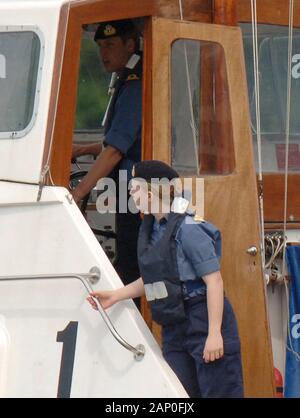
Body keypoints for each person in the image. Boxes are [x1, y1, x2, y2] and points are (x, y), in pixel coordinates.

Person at [87, 160, 244, 398]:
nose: (131, 192)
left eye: (135, 188)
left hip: (202, 317)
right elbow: (154, 278)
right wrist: (116, 295)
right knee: (180, 393)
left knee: (219, 391)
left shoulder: (189, 230)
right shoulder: (155, 230)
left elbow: (214, 282)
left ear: (150, 193)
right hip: (175, 324)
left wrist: (214, 333)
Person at [71, 20, 142, 302]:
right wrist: (81, 150)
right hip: (126, 192)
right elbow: (119, 140)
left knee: (130, 265)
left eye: (110, 45)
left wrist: (79, 191)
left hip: (135, 196)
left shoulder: (137, 84)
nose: (103, 53)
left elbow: (115, 150)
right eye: (100, 46)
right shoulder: (127, 78)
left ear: (130, 45)